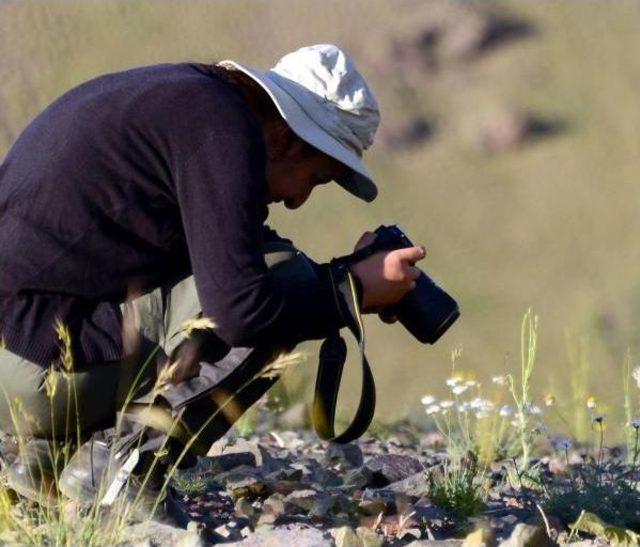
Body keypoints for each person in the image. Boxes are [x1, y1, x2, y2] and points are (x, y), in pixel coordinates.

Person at [0, 44, 425, 509]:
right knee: (283, 278)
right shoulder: (222, 129)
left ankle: (43, 465)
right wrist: (351, 289)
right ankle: (121, 479)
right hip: (33, 372)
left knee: (262, 273)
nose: (299, 200)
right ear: (285, 138)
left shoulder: (188, 101)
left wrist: (346, 279)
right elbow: (243, 310)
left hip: (20, 356)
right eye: (315, 177)